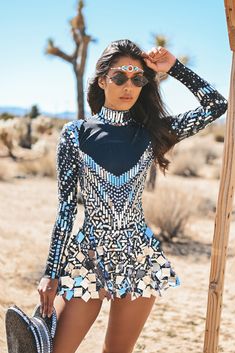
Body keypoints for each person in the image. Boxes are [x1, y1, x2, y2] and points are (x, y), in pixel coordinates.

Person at [37, 39, 228, 353]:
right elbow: (67, 208)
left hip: (138, 257)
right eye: (119, 77)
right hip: (88, 258)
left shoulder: (152, 133)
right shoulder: (75, 134)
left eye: (138, 79)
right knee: (53, 349)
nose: (129, 86)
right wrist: (51, 272)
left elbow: (215, 106)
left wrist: (175, 67)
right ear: (102, 80)